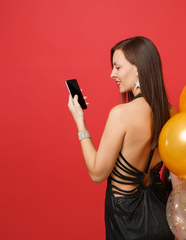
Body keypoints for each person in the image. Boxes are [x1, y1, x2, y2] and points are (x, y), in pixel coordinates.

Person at [68, 36, 175, 240]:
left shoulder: (121, 114)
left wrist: (80, 122)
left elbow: (97, 173)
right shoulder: (172, 113)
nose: (112, 74)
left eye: (117, 67)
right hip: (163, 216)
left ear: (138, 68)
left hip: (127, 222)